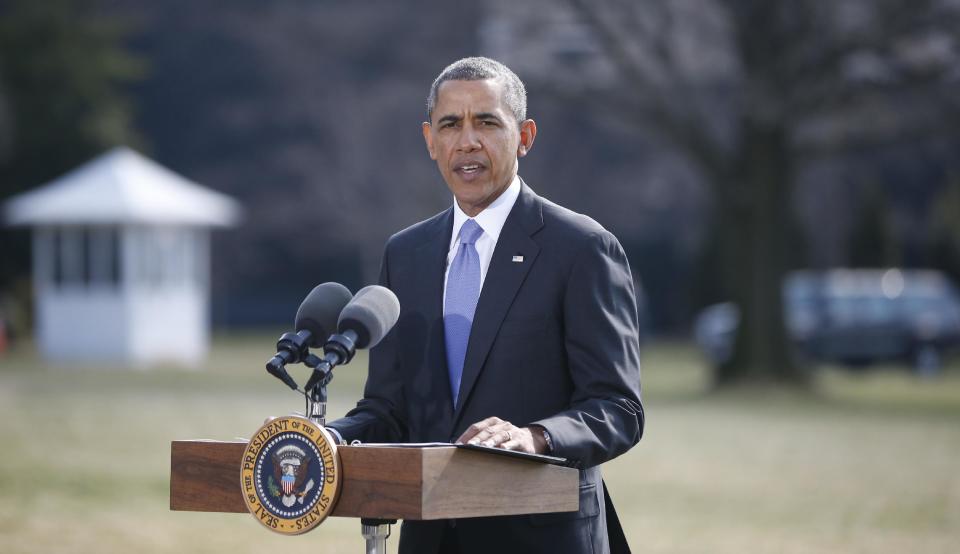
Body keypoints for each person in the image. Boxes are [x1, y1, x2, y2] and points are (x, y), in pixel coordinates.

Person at [327, 56, 643, 554]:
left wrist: (535, 437)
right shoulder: (405, 254)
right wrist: (325, 438)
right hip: (431, 536)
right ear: (430, 141)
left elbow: (618, 409)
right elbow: (389, 409)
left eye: (487, 122)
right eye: (450, 124)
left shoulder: (581, 248)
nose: (467, 140)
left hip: (544, 535)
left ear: (525, 136)